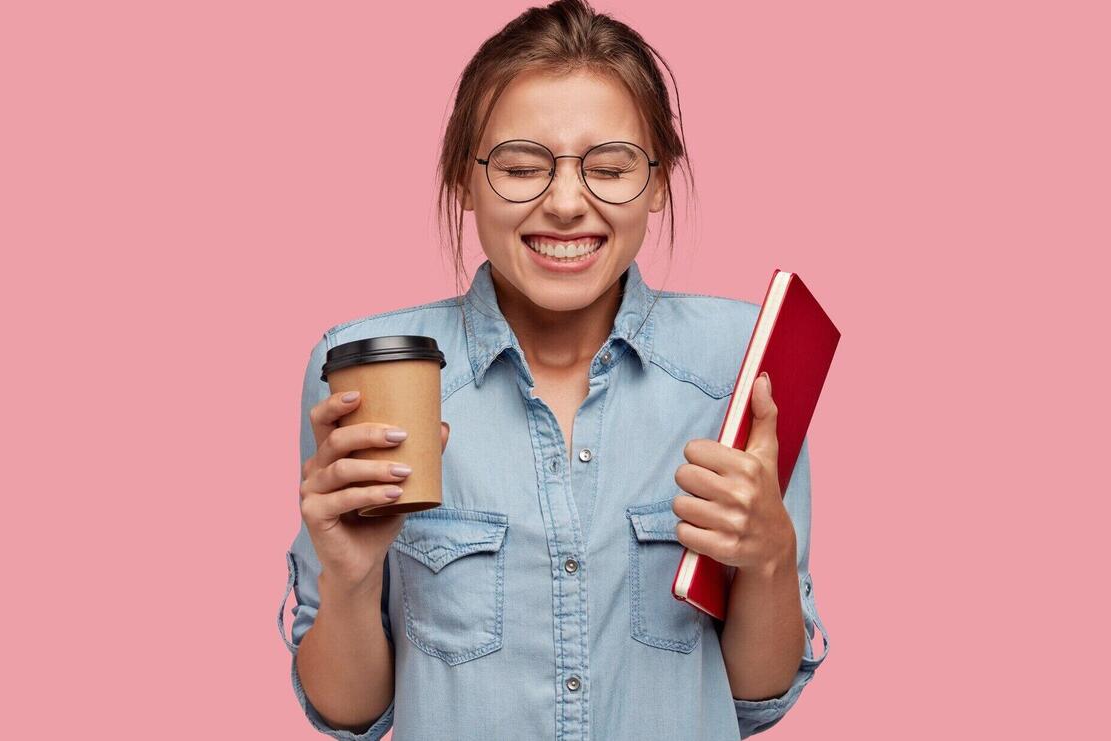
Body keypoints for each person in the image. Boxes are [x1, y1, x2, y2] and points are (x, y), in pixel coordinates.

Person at [277, 1, 829, 738]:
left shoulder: (741, 366)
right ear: (462, 180)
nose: (567, 203)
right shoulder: (370, 373)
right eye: (519, 166)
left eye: (609, 167)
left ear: (659, 181)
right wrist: (347, 576)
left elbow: (756, 697)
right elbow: (350, 714)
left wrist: (767, 558)